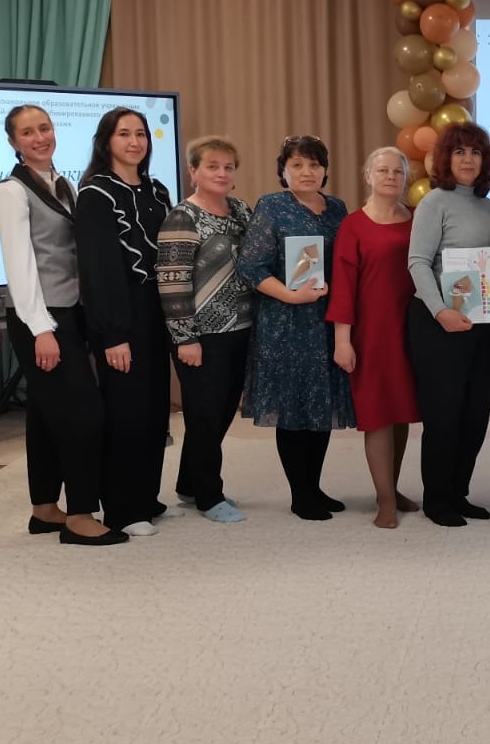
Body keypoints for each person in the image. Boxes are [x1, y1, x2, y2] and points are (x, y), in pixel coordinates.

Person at [0, 104, 124, 547]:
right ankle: (81, 515)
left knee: (46, 416)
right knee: (85, 414)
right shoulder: (11, 192)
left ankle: (45, 508)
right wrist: (41, 329)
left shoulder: (64, 183)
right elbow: (19, 265)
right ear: (13, 142)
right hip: (41, 317)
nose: (39, 137)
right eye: (27, 132)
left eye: (44, 128)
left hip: (70, 310)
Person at [239, 135, 355, 521]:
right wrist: (290, 296)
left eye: (314, 164)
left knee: (320, 404)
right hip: (285, 322)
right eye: (298, 165)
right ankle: (300, 494)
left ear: (325, 170)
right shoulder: (272, 206)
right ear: (284, 171)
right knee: (292, 407)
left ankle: (315, 486)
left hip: (326, 322)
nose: (307, 172)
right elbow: (250, 267)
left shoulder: (337, 208)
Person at [76, 107, 175, 537]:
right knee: (126, 412)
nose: (135, 142)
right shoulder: (95, 194)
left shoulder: (157, 190)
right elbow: (98, 271)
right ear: (106, 142)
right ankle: (122, 508)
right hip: (121, 314)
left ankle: (146, 497)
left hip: (157, 313)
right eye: (124, 134)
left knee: (155, 409)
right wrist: (113, 334)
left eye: (141, 134)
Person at [406, 121, 490, 527]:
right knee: (443, 416)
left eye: (475, 152)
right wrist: (441, 311)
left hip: (480, 323)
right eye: (459, 151)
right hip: (438, 323)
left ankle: (459, 493)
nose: (468, 159)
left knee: (474, 417)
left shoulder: (488, 206)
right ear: (446, 158)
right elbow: (418, 262)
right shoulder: (434, 202)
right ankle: (437, 499)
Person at [158, 135, 254, 523]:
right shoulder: (182, 217)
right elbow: (172, 281)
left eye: (228, 167)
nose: (221, 173)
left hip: (241, 329)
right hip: (201, 337)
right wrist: (186, 337)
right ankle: (209, 497)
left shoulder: (241, 210)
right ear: (193, 171)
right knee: (204, 415)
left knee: (223, 412)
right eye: (212, 166)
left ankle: (189, 483)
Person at [328, 147, 422, 529]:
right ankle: (384, 501)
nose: (390, 177)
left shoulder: (417, 219)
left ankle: (393, 489)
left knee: (402, 412)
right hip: (372, 334)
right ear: (367, 176)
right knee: (378, 415)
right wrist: (342, 339)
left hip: (412, 330)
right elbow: (343, 286)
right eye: (382, 170)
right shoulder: (353, 225)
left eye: (397, 171)